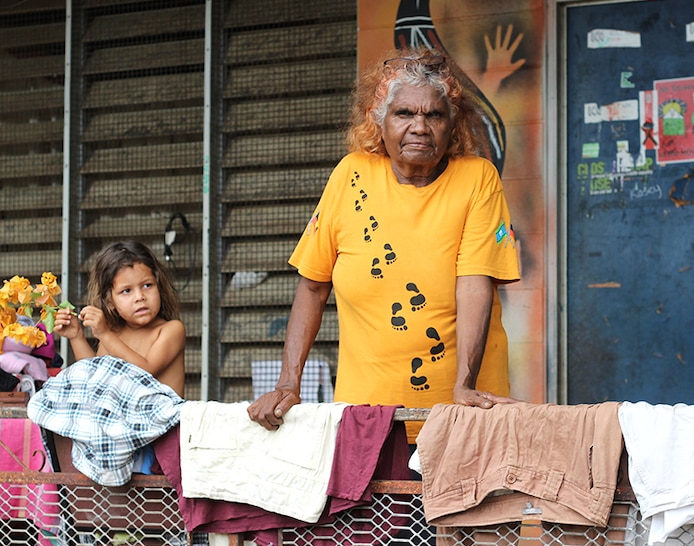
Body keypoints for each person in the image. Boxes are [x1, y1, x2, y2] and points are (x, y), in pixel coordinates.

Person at [247, 47, 520, 441]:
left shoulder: (477, 179)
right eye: (405, 113)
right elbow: (312, 286)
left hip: (460, 415)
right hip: (366, 416)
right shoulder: (350, 174)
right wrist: (289, 384)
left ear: (453, 123)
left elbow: (475, 284)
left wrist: (464, 385)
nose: (420, 127)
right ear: (380, 121)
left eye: (434, 114)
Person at [53, 240, 186, 397]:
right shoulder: (113, 334)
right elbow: (95, 377)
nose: (140, 297)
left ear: (159, 286)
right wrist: (76, 337)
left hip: (162, 419)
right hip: (122, 419)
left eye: (147, 285)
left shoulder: (171, 330)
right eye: (126, 291)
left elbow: (144, 372)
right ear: (110, 301)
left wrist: (105, 334)